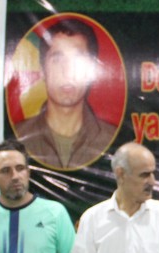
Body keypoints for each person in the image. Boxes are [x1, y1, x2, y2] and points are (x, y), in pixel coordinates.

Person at [15, 18, 117, 170]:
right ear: (43, 71)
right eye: (57, 60)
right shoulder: (18, 137)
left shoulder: (114, 139)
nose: (68, 71)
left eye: (78, 60)